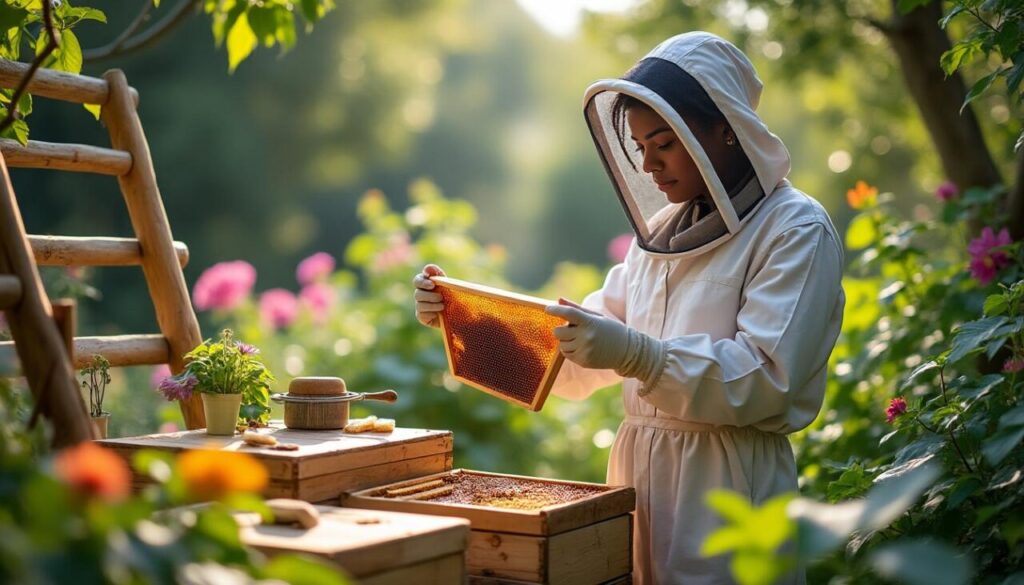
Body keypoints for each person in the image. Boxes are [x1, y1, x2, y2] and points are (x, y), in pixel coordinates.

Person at [413, 31, 844, 584]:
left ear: (725, 129)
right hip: (637, 482)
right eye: (640, 147)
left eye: (663, 143)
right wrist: (464, 320)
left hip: (731, 487)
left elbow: (767, 379)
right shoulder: (662, 235)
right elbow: (572, 356)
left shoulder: (795, 229)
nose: (649, 165)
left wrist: (642, 357)